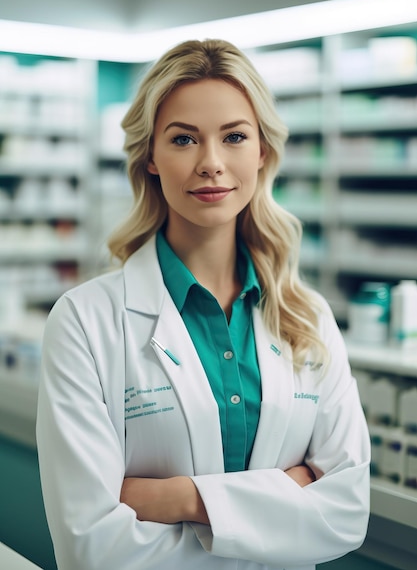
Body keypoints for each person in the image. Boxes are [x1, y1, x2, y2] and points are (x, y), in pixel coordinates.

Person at [36, 39, 370, 570]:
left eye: (234, 136)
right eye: (184, 139)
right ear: (151, 156)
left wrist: (176, 500)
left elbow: (347, 514)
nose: (211, 163)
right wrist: (284, 496)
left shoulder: (308, 318)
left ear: (261, 152)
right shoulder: (85, 321)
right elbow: (91, 547)